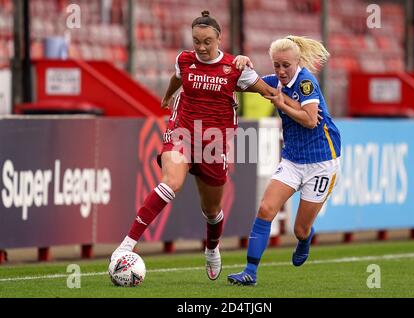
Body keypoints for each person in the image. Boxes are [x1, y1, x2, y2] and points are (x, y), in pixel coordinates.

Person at [110, 13, 319, 281]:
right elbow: (178, 78)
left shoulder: (235, 68)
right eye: (196, 41)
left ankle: (211, 248)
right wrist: (167, 96)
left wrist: (300, 105)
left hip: (215, 144)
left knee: (211, 211)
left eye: (207, 41)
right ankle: (127, 245)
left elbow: (269, 91)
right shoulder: (184, 60)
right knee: (171, 182)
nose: (201, 47)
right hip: (182, 132)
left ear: (220, 39)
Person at [227, 35, 341, 286]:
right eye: (276, 65)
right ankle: (250, 272)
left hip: (321, 162)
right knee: (266, 209)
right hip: (292, 160)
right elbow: (239, 82)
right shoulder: (274, 82)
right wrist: (240, 63)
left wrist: (282, 104)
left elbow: (311, 121)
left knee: (299, 229)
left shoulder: (306, 83)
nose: (280, 71)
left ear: (298, 62)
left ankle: (304, 239)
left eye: (285, 65)